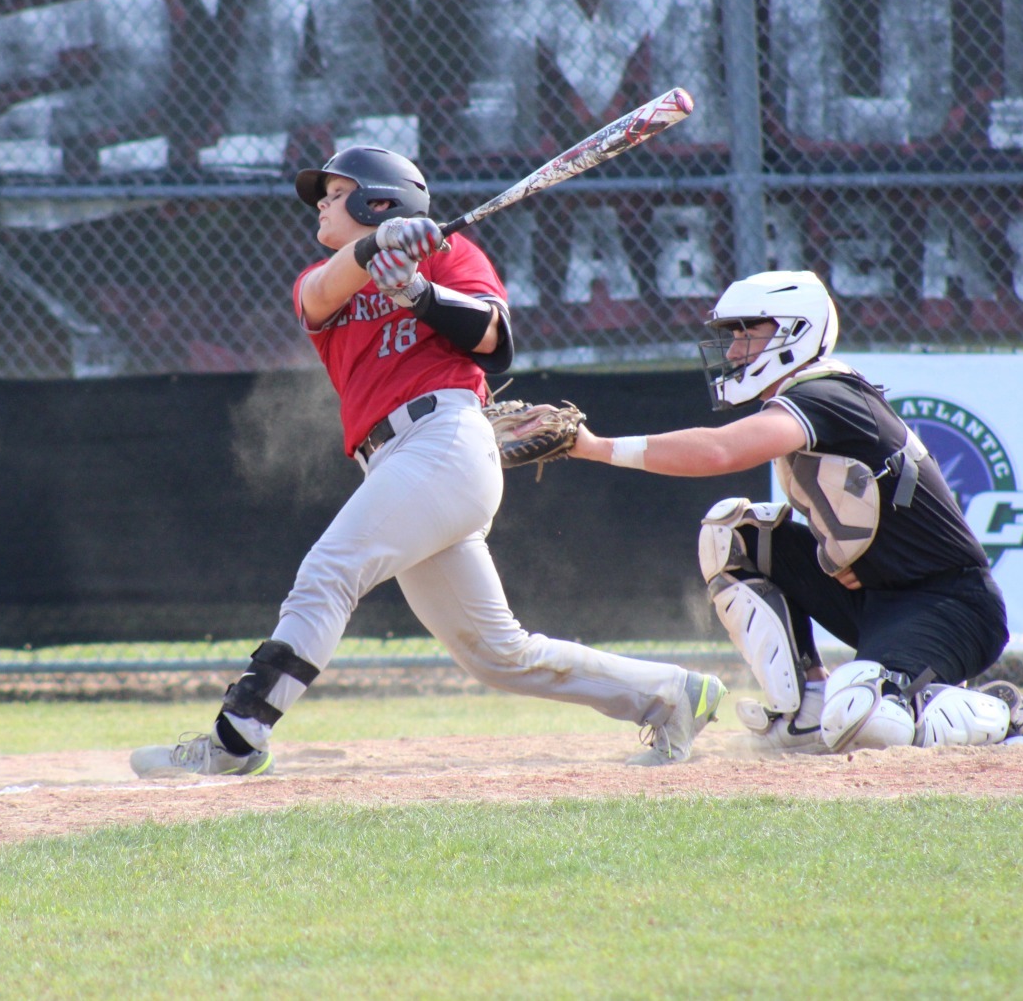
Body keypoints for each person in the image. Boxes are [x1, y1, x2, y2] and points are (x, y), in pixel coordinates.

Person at [130, 146, 726, 777]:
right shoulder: (322, 276)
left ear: (379, 199)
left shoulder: (450, 255)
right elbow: (322, 293)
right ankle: (672, 695)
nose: (321, 206)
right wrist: (375, 247)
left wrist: (418, 291)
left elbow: (494, 341)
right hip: (396, 462)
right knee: (498, 654)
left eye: (336, 193)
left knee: (329, 572)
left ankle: (238, 736)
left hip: (443, 441)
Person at [566, 270, 1023, 752]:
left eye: (748, 333)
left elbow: (720, 451)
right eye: (733, 335)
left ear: (796, 333)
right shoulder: (809, 395)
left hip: (952, 606)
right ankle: (805, 710)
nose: (735, 349)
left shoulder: (827, 392)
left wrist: (595, 447)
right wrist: (837, 559)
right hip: (883, 599)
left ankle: (1006, 715)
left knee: (865, 718)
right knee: (734, 535)